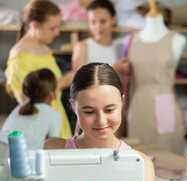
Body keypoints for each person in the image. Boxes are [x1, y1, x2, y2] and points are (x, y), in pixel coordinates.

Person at [43, 62, 161, 181]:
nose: (101, 120)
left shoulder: (140, 161)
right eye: (89, 112)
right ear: (73, 106)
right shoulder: (54, 149)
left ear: (122, 101)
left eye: (109, 110)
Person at [5, 0, 72, 139]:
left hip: (57, 118)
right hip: (40, 126)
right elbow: (30, 100)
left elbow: (52, 85)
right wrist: (60, 85)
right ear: (35, 24)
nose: (57, 32)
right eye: (52, 28)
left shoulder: (44, 49)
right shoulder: (19, 57)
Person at [127, 0, 186, 154]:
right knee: (138, 158)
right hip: (138, 106)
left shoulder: (177, 39)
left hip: (164, 105)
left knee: (168, 158)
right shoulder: (131, 41)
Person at [2, 68, 62, 149]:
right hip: (17, 152)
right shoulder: (55, 115)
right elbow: (52, 148)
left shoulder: (19, 108)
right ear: (52, 94)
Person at [71, 0, 129, 74]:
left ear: (114, 19)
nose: (98, 26)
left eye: (103, 21)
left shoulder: (121, 47)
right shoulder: (82, 47)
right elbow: (79, 80)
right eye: (93, 22)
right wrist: (114, 69)